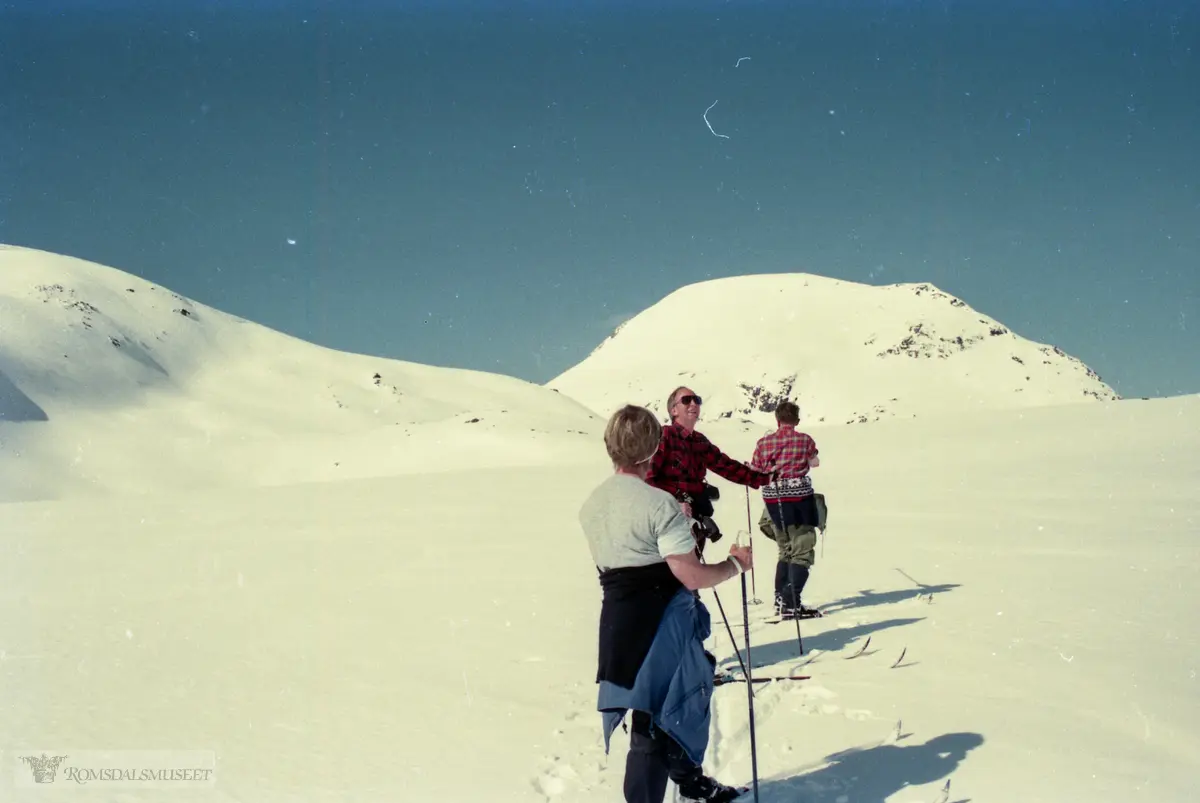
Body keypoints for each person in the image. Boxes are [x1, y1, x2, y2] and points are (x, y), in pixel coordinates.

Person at [579, 404, 754, 803]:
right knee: (664, 716)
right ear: (655, 448)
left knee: (651, 714)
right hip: (663, 625)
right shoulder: (660, 505)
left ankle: (689, 781)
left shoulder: (592, 504)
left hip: (619, 623)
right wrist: (733, 565)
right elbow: (691, 576)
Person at [646, 386, 773, 546]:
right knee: (673, 569)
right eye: (686, 400)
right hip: (669, 521)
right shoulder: (664, 436)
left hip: (695, 517)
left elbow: (727, 467)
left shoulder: (699, 441)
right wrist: (673, 505)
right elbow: (647, 479)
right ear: (674, 410)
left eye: (697, 400)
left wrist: (765, 478)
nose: (693, 404)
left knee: (693, 568)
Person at [750, 401, 823, 619]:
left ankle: (781, 599)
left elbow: (755, 469)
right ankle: (791, 603)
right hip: (800, 500)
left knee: (785, 549)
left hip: (774, 501)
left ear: (777, 419)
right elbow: (815, 462)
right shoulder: (805, 440)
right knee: (801, 549)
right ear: (797, 420)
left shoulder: (764, 443)